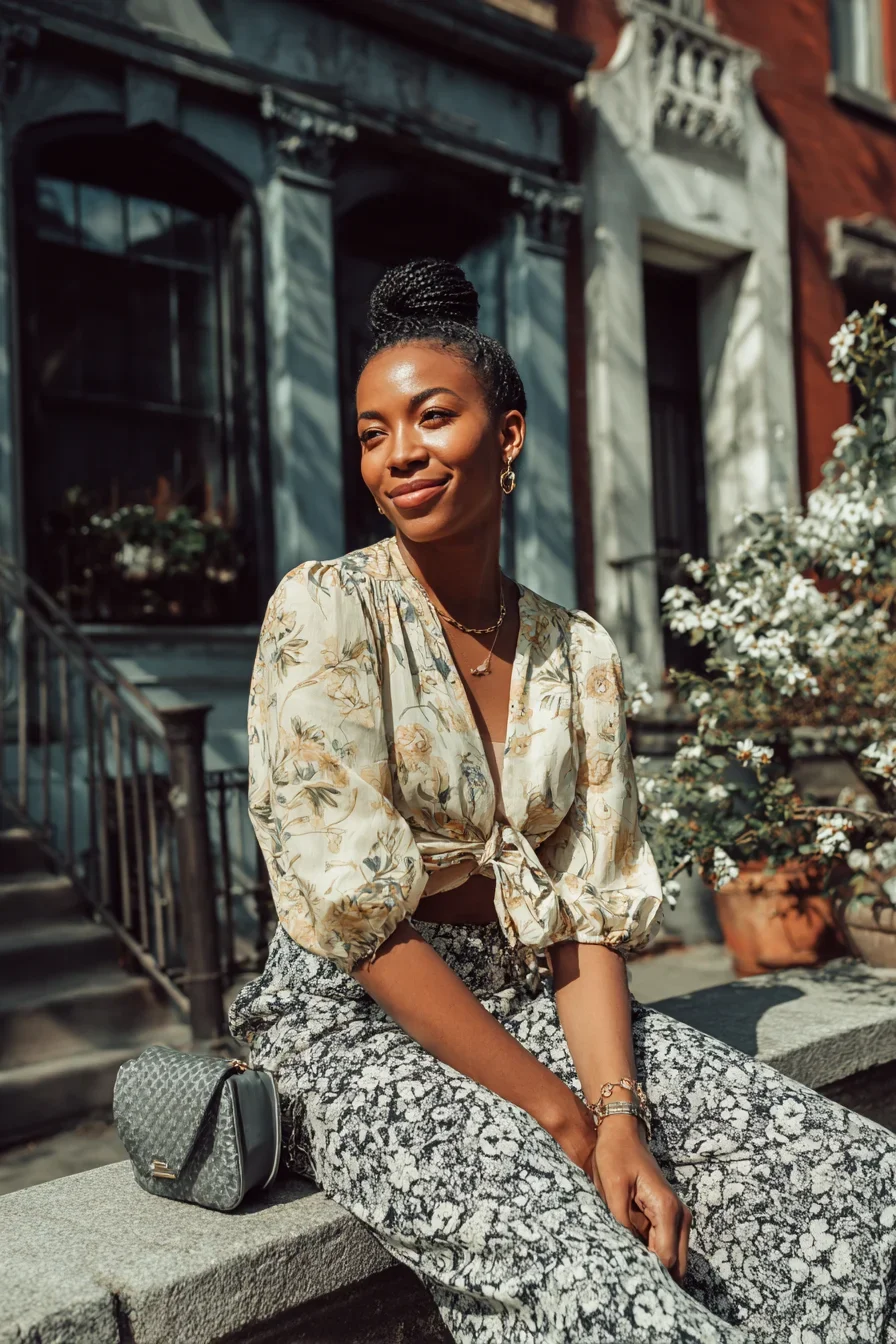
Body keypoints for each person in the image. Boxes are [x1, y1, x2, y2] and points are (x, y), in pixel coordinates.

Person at [230, 258, 896, 1344]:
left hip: (536, 993)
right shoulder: (326, 612)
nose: (398, 454)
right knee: (597, 1287)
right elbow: (357, 920)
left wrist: (617, 1113)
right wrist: (559, 1113)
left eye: (432, 417)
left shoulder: (576, 652)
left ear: (508, 436)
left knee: (847, 1177)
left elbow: (584, 908)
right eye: (370, 432)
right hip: (354, 1022)